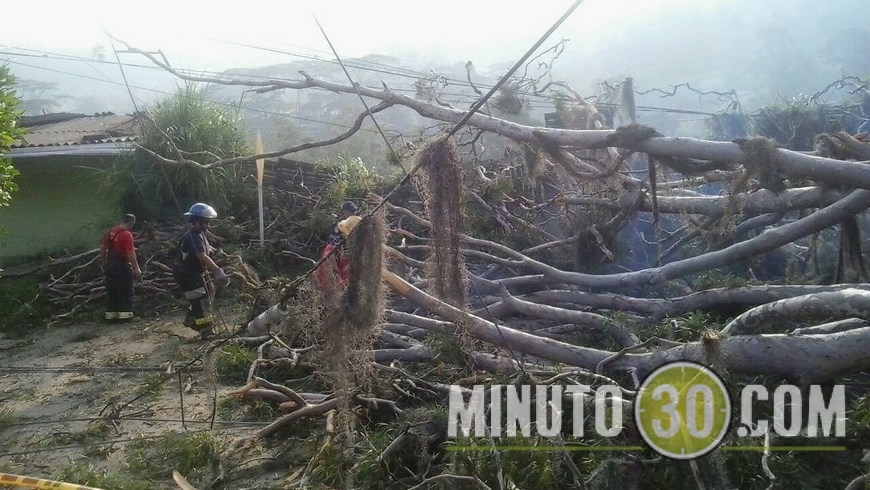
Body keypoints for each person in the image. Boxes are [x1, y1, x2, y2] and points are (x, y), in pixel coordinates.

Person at [172, 202, 229, 334]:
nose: (207, 225)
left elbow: (206, 242)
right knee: (200, 298)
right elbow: (202, 256)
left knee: (209, 291)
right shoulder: (192, 237)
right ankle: (206, 330)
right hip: (187, 274)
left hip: (193, 272)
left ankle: (190, 319)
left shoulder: (199, 233)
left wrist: (215, 248)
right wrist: (218, 272)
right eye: (205, 222)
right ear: (196, 222)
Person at [100, 213, 142, 323]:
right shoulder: (127, 234)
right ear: (131, 222)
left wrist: (104, 262)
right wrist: (136, 268)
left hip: (110, 265)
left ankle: (111, 316)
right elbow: (130, 253)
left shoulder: (112, 231)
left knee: (112, 290)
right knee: (125, 290)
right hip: (122, 266)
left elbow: (103, 247)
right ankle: (126, 316)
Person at [314, 200, 361, 288]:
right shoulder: (358, 220)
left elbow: (344, 231)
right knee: (343, 271)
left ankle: (333, 287)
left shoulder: (349, 221)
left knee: (333, 270)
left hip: (341, 250)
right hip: (347, 250)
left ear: (346, 211)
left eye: (343, 211)